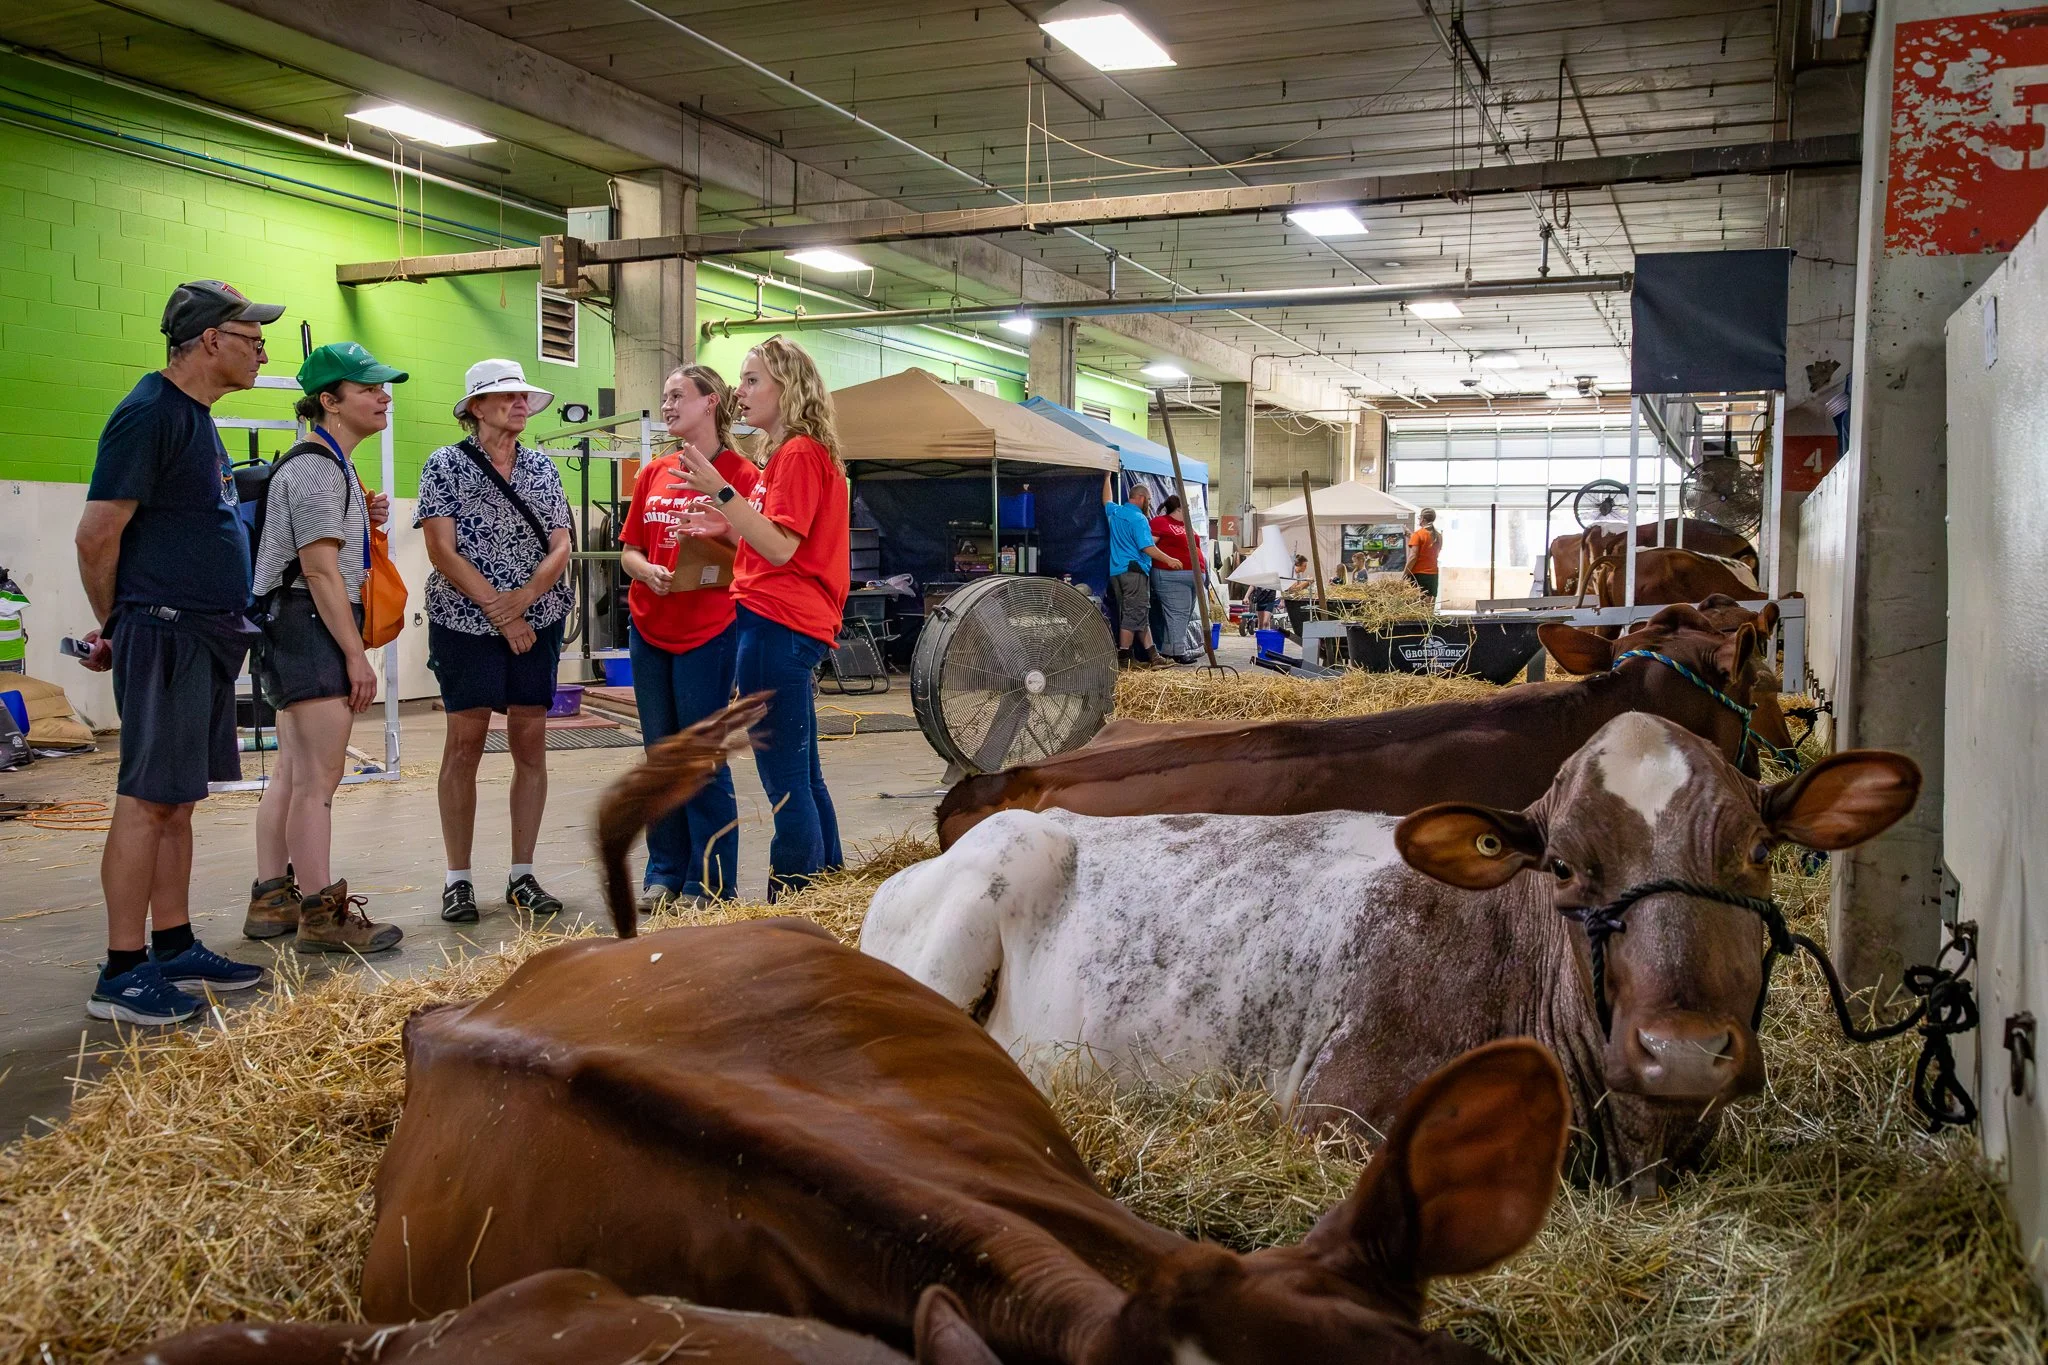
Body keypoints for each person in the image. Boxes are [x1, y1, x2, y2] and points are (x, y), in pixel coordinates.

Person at [72, 281, 275, 1024]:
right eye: (251, 338)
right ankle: (122, 971)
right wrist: (119, 624)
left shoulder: (195, 418)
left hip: (200, 633)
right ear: (209, 340)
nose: (261, 351)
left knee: (177, 801)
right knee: (146, 797)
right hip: (163, 629)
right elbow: (97, 535)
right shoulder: (149, 413)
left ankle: (173, 942)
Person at [243, 343, 407, 956]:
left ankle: (271, 900)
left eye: (382, 386)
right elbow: (318, 572)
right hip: (308, 623)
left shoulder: (328, 465)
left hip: (293, 624)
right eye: (368, 388)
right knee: (319, 779)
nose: (383, 396)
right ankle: (320, 912)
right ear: (330, 402)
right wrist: (355, 655)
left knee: (290, 773)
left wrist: (361, 513)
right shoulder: (314, 466)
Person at [672, 336, 847, 900]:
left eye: (751, 381)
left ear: (786, 387)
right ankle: (830, 888)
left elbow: (778, 549)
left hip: (776, 624)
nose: (739, 392)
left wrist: (722, 494)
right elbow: (779, 536)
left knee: (786, 781)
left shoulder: (795, 453)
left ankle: (793, 894)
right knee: (806, 773)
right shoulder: (794, 453)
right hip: (786, 623)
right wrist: (729, 525)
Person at [416, 359, 574, 924]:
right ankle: (457, 878)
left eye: (523, 396)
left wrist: (527, 597)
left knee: (530, 743)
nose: (518, 404)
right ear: (475, 407)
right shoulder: (444, 466)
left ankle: (522, 873)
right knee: (466, 743)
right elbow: (442, 550)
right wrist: (501, 612)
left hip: (540, 617)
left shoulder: (541, 468)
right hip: (465, 622)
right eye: (505, 396)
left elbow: (561, 543)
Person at [619, 364, 762, 910]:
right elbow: (630, 548)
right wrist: (643, 570)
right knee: (661, 757)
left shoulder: (741, 476)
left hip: (709, 631)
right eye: (665, 395)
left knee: (700, 758)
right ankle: (665, 873)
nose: (668, 404)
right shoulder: (653, 472)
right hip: (650, 629)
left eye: (678, 395)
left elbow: (761, 551)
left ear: (711, 403)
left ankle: (713, 882)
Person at [1102, 476, 1178, 667]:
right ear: (1142, 498)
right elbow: (1147, 547)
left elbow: (1106, 500)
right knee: (1132, 615)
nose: (1150, 504)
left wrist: (1106, 477)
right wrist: (1169, 559)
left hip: (1116, 572)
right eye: (1150, 500)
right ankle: (1125, 659)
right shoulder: (1139, 519)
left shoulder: (1117, 512)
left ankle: (1154, 656)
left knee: (1137, 613)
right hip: (1134, 572)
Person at [1148, 493, 1202, 663]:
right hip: (1171, 575)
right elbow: (1148, 544)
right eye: (1187, 507)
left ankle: (1169, 649)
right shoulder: (1160, 522)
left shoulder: (1187, 525)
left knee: (1183, 614)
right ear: (1179, 508)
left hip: (1192, 576)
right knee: (1178, 613)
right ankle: (1178, 651)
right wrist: (1168, 560)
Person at [1407, 508, 1444, 599]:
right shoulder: (1438, 536)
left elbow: (1413, 557)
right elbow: (1431, 551)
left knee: (1417, 605)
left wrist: (1405, 574)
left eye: (1419, 518)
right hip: (1433, 574)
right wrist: (1411, 535)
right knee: (1429, 605)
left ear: (1422, 519)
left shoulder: (1418, 534)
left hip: (1418, 575)